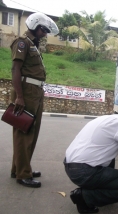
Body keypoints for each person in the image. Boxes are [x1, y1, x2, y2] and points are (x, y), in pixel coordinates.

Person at [10, 12, 58, 188]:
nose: (44, 33)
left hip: (35, 91)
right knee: (25, 132)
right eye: (43, 30)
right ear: (35, 26)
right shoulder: (22, 43)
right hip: (27, 91)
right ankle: (23, 174)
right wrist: (20, 97)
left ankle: (20, 168)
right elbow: (15, 69)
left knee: (31, 131)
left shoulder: (32, 45)